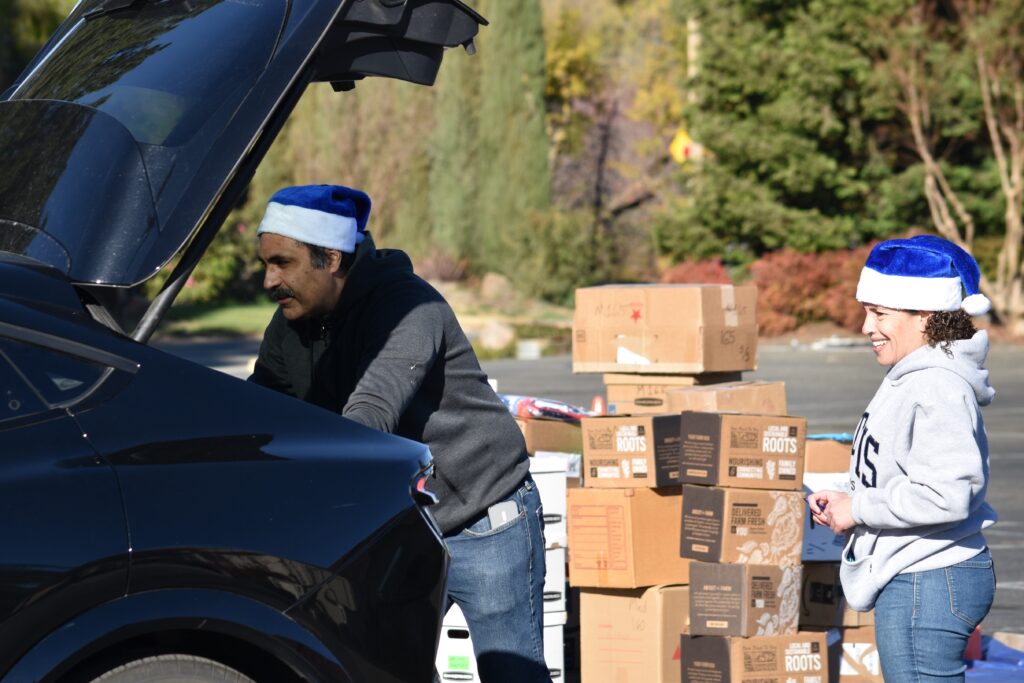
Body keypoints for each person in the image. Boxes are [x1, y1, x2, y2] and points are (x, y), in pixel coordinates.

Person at [249, 184, 550, 683]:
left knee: (511, 673)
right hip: (401, 525)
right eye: (266, 263)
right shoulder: (289, 326)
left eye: (282, 262)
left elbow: (371, 415)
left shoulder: (409, 309)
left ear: (331, 258)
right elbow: (259, 414)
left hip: (482, 513)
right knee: (381, 672)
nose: (268, 280)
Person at [809, 235, 998, 683]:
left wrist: (858, 509)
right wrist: (847, 497)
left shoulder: (937, 385)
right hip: (920, 574)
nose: (866, 327)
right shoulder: (911, 375)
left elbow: (946, 495)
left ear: (926, 315)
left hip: (929, 577)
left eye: (880, 313)